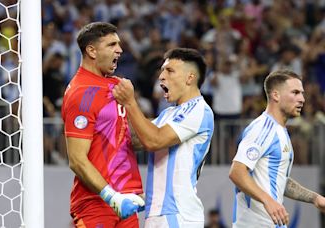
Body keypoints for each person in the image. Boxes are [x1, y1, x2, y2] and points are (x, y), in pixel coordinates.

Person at [113, 48, 214, 227]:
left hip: (178, 214)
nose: (161, 76)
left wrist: (130, 102)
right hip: (158, 213)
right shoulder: (168, 113)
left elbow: (154, 140)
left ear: (190, 78)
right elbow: (137, 140)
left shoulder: (199, 109)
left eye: (170, 70)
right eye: (162, 70)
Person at [61, 22, 144, 227]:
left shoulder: (117, 86)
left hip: (125, 201)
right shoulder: (82, 93)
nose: (120, 49)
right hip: (96, 204)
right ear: (92, 50)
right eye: (111, 44)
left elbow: (132, 138)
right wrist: (111, 197)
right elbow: (76, 159)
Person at [229, 70, 325, 227]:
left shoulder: (279, 131)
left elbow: (278, 181)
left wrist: (314, 198)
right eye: (295, 92)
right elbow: (237, 172)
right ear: (276, 95)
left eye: (302, 93)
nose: (302, 99)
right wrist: (269, 202)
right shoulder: (263, 128)